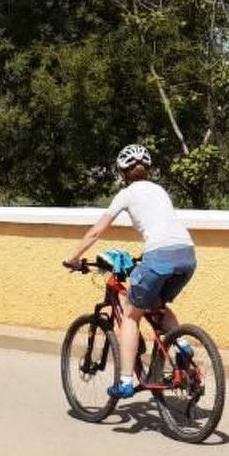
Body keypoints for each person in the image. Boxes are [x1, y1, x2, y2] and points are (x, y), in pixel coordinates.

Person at [64, 142, 196, 399]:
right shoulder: (159, 190)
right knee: (157, 304)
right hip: (187, 255)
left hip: (158, 255)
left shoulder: (126, 194)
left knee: (130, 314)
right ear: (147, 169)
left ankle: (125, 381)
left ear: (123, 172)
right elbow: (162, 226)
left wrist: (73, 258)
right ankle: (183, 344)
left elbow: (96, 231)